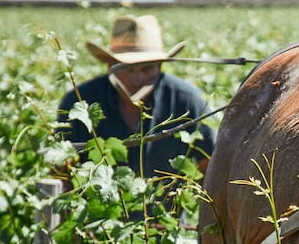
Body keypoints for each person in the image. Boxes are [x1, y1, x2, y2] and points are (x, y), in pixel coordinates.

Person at [56, 14, 215, 180]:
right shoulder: (79, 101)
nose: (137, 79)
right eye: (128, 69)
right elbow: (61, 173)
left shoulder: (188, 102)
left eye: (147, 69)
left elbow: (210, 169)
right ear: (110, 65)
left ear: (160, 66)